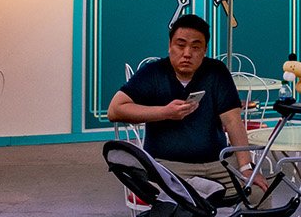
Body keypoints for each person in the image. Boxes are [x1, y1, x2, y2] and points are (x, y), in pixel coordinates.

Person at [107, 14, 257, 201]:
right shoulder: (153, 72)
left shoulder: (216, 72)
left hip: (218, 163)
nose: (187, 53)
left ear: (204, 51)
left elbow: (233, 120)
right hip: (170, 166)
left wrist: (246, 167)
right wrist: (165, 112)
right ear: (170, 47)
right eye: (180, 45)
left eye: (195, 47)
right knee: (187, 202)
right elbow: (114, 110)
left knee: (257, 192)